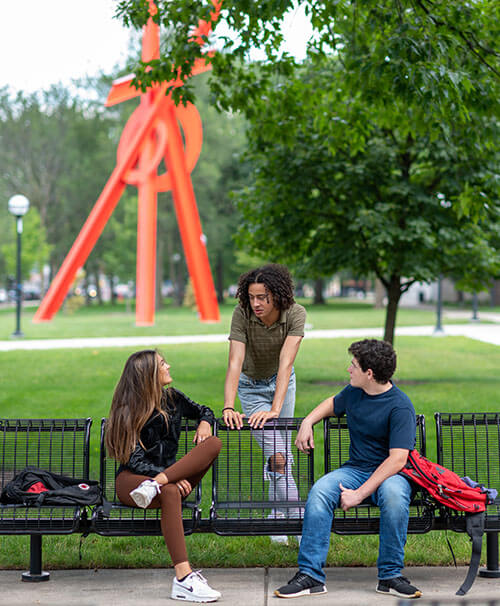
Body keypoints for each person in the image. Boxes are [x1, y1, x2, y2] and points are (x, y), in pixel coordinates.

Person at [275, 339, 422, 600]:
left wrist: (359, 494)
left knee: (394, 496)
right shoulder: (355, 392)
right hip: (355, 469)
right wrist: (308, 421)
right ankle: (310, 575)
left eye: (353, 366)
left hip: (391, 475)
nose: (348, 370)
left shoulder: (400, 406)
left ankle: (390, 575)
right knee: (320, 491)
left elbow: (397, 460)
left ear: (370, 373)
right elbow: (331, 403)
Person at [105, 349, 222, 603]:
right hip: (133, 481)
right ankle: (183, 579)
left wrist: (205, 421)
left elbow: (204, 410)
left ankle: (161, 484)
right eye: (162, 364)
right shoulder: (128, 410)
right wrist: (167, 479)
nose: (168, 366)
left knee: (212, 443)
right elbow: (134, 461)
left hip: (164, 480)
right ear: (148, 374)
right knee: (169, 491)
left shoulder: (172, 399)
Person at [222, 264, 306, 543]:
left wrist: (275, 408)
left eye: (262, 297)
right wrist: (228, 406)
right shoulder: (241, 313)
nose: (256, 303)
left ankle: (277, 516)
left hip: (283, 383)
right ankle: (303, 521)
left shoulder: (295, 313)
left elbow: (286, 364)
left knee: (281, 453)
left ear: (277, 296)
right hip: (251, 388)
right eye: (252, 297)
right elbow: (235, 362)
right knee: (278, 455)